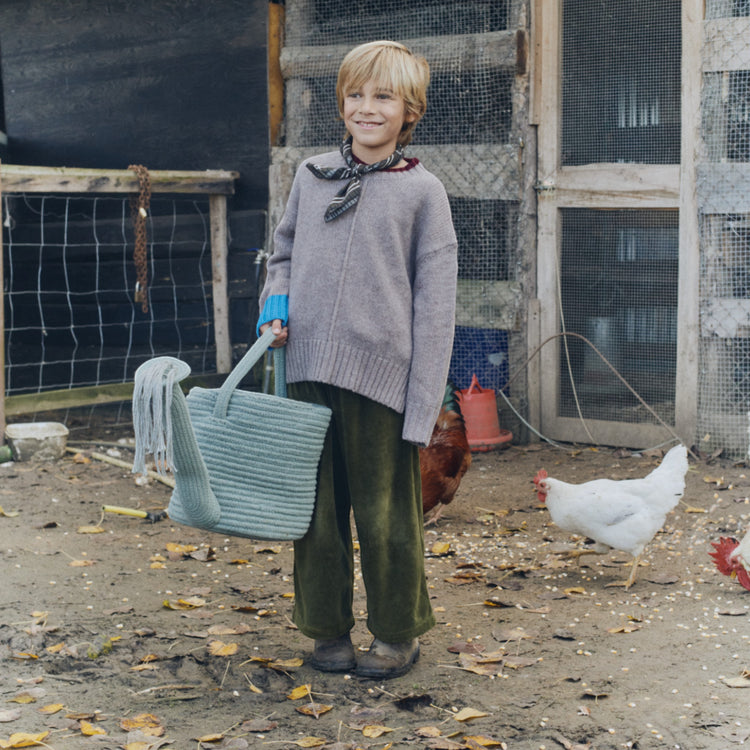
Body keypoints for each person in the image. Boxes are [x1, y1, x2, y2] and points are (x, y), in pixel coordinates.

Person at [257, 40, 458, 679]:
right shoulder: (312, 177)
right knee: (314, 511)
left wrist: (423, 401)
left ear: (410, 110)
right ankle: (326, 632)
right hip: (306, 368)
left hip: (380, 381)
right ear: (341, 102)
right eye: (355, 94)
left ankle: (398, 633)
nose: (366, 108)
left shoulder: (422, 193)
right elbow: (282, 250)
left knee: (384, 511)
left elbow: (436, 307)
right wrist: (274, 305)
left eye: (383, 97)